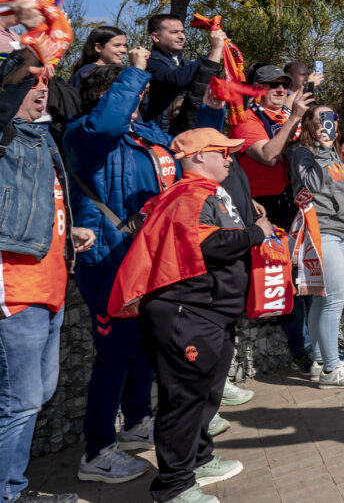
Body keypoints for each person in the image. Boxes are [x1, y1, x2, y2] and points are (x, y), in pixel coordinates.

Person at [64, 50, 225, 485]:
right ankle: (96, 451)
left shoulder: (142, 132)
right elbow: (107, 122)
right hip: (108, 257)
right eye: (136, 91)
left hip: (144, 257)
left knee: (142, 345)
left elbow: (188, 151)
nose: (142, 99)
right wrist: (135, 69)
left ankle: (137, 422)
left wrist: (213, 107)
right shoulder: (88, 132)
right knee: (115, 353)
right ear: (113, 94)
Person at [109, 128, 275, 503]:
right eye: (223, 151)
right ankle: (174, 486)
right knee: (184, 402)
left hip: (209, 313)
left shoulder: (207, 193)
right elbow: (206, 244)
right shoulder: (189, 194)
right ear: (199, 156)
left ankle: (198, 460)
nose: (230, 158)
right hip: (188, 314)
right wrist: (255, 233)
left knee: (204, 396)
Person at [1, 52, 96, 503]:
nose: (42, 88)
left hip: (51, 285)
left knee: (35, 397)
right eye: (29, 80)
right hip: (15, 290)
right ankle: (10, 494)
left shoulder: (40, 137)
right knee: (18, 404)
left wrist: (64, 231)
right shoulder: (5, 137)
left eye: (44, 80)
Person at [232, 64, 310, 365]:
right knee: (283, 276)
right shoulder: (246, 120)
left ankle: (317, 344)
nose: (280, 90)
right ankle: (299, 348)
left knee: (305, 273)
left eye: (283, 85)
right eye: (271, 85)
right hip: (265, 207)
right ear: (255, 90)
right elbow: (268, 156)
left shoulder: (282, 118)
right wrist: (294, 118)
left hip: (295, 201)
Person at [286, 106, 344, 388]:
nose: (327, 124)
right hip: (319, 230)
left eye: (332, 118)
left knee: (321, 299)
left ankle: (320, 363)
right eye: (321, 119)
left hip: (338, 230)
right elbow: (312, 184)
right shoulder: (301, 152)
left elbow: (340, 191)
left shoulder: (332, 151)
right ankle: (332, 370)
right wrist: (321, 149)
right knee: (333, 300)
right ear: (309, 123)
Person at [142, 14, 223, 124]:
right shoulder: (149, 61)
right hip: (159, 133)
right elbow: (176, 79)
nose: (182, 37)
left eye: (182, 32)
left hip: (185, 126)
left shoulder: (185, 63)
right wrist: (213, 53)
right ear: (156, 37)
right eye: (174, 32)